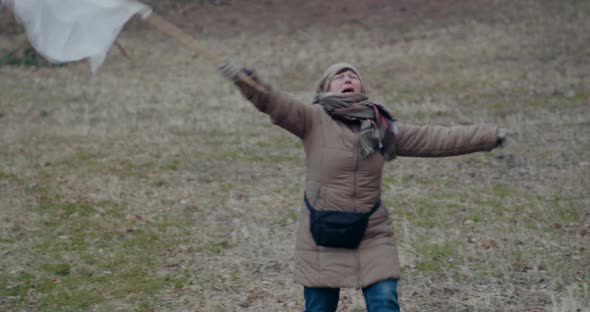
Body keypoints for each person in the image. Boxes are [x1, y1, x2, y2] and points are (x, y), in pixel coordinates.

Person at [218, 61, 507, 312]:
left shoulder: (382, 128)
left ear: (360, 87)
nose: (347, 78)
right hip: (322, 232)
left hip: (371, 231)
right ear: (326, 88)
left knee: (385, 303)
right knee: (319, 308)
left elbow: (436, 139)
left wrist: (490, 136)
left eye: (352, 75)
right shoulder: (312, 118)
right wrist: (243, 78)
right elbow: (272, 100)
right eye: (339, 75)